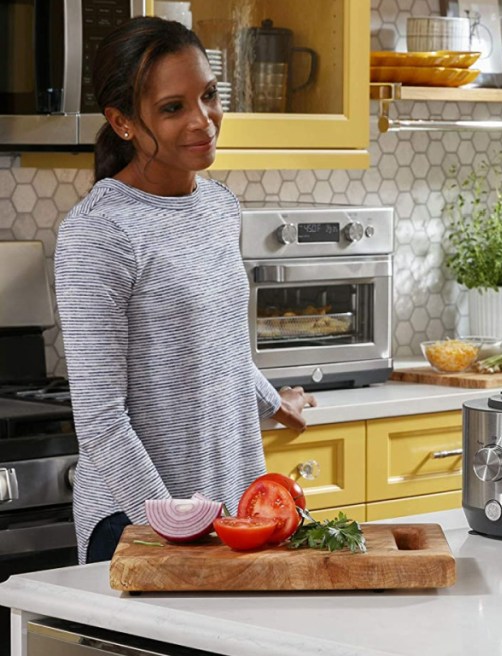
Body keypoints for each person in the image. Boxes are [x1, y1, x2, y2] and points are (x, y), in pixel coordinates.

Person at [54, 17, 315, 564]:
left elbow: (217, 345)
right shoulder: (98, 231)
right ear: (122, 122)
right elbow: (102, 421)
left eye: (209, 95)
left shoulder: (219, 207)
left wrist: (273, 401)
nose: (204, 121)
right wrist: (177, 525)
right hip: (138, 527)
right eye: (173, 108)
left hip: (230, 515)